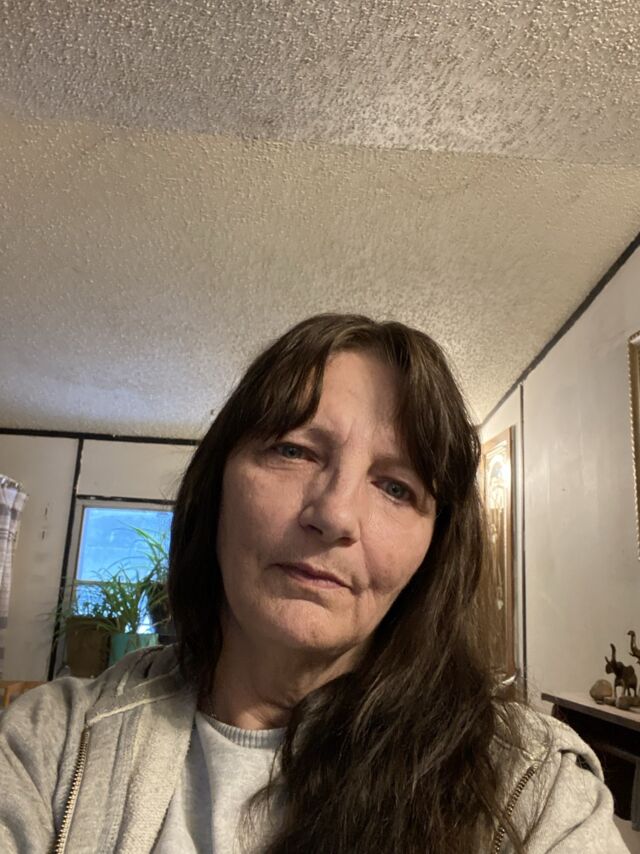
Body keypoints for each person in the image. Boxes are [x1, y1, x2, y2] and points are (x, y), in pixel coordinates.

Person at [0, 314, 628, 853]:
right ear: (218, 484)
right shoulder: (48, 747)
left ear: (433, 553)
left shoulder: (536, 789)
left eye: (396, 487)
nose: (334, 515)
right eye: (294, 451)